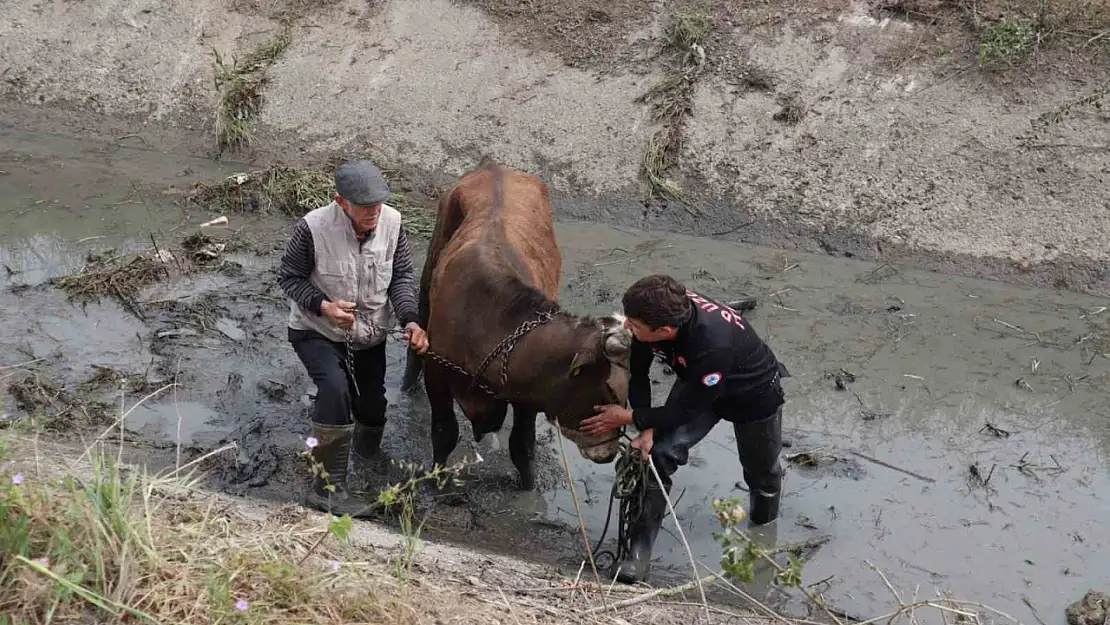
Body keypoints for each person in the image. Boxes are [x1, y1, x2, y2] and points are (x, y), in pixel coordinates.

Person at [581, 274, 786, 584]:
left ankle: (762, 534)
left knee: (763, 473)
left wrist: (626, 418)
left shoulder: (713, 343)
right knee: (658, 455)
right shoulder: (654, 311)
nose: (626, 328)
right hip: (696, 381)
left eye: (634, 326)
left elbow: (684, 411)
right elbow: (639, 375)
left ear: (664, 331)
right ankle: (638, 555)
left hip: (752, 394)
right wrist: (645, 430)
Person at [277, 158, 429, 517]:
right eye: (364, 207)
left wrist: (410, 319)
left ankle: (365, 456)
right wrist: (324, 306)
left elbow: (402, 275)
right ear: (340, 201)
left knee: (372, 409)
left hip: (369, 335)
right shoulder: (312, 227)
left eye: (378, 204)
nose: (373, 213)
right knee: (335, 389)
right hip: (316, 330)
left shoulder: (393, 223)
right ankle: (326, 488)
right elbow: (289, 278)